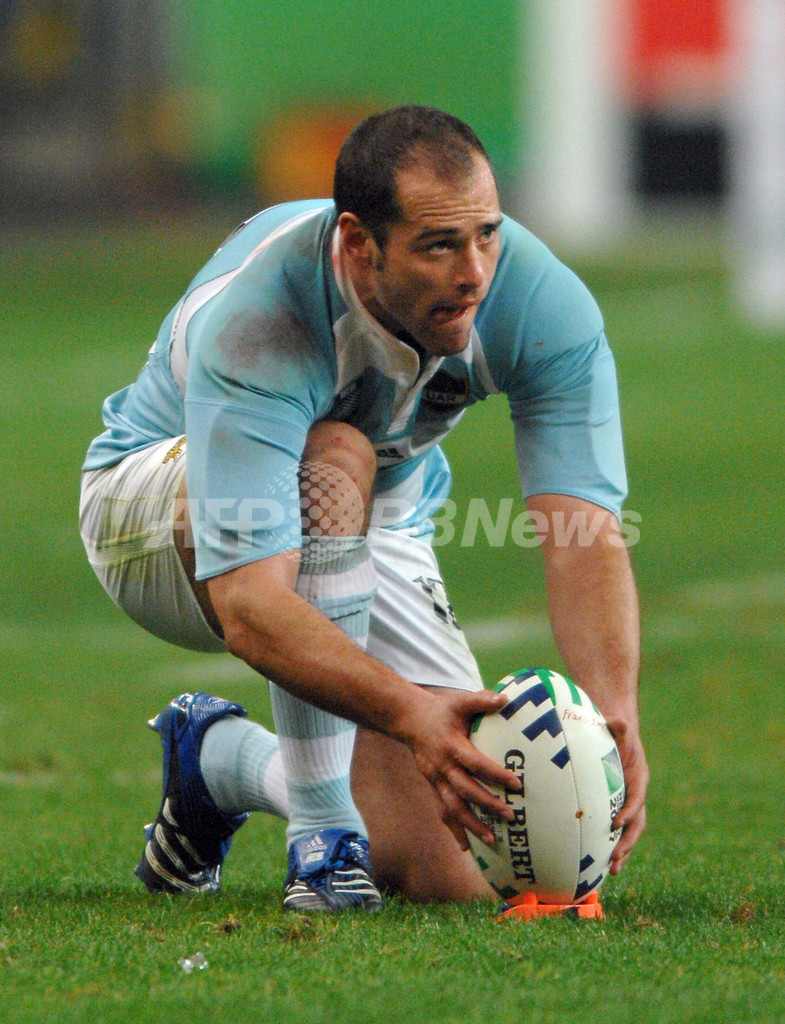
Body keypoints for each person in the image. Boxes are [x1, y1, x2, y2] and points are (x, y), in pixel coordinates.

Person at [80, 105, 648, 913]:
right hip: (150, 513)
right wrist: (412, 714)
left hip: (372, 516)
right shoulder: (263, 319)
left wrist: (614, 719)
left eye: (486, 233)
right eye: (438, 245)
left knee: (451, 865)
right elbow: (250, 606)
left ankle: (218, 763)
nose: (474, 272)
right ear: (357, 243)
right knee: (336, 454)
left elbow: (581, 529)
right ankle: (322, 836)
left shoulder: (537, 299)